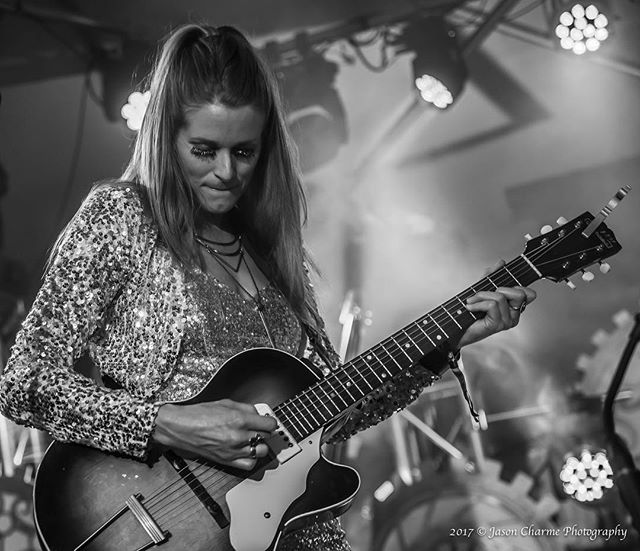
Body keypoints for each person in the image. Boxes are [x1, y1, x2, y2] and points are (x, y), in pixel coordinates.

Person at [0, 23, 536, 550]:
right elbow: (21, 382)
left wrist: (445, 344)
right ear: (166, 137)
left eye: (245, 151)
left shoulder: (274, 252)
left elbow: (335, 413)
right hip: (166, 522)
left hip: (303, 534)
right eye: (205, 150)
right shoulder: (120, 219)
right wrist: (169, 424)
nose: (227, 172)